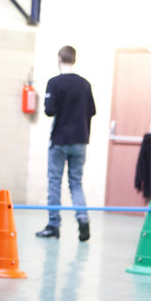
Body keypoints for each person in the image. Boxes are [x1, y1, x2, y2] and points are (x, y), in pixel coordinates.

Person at [36, 46, 97, 241]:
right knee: (75, 183)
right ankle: (83, 218)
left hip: (60, 140)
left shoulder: (54, 83)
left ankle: (53, 225)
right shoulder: (85, 84)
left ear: (59, 59)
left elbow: (48, 110)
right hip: (80, 141)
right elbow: (92, 111)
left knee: (54, 183)